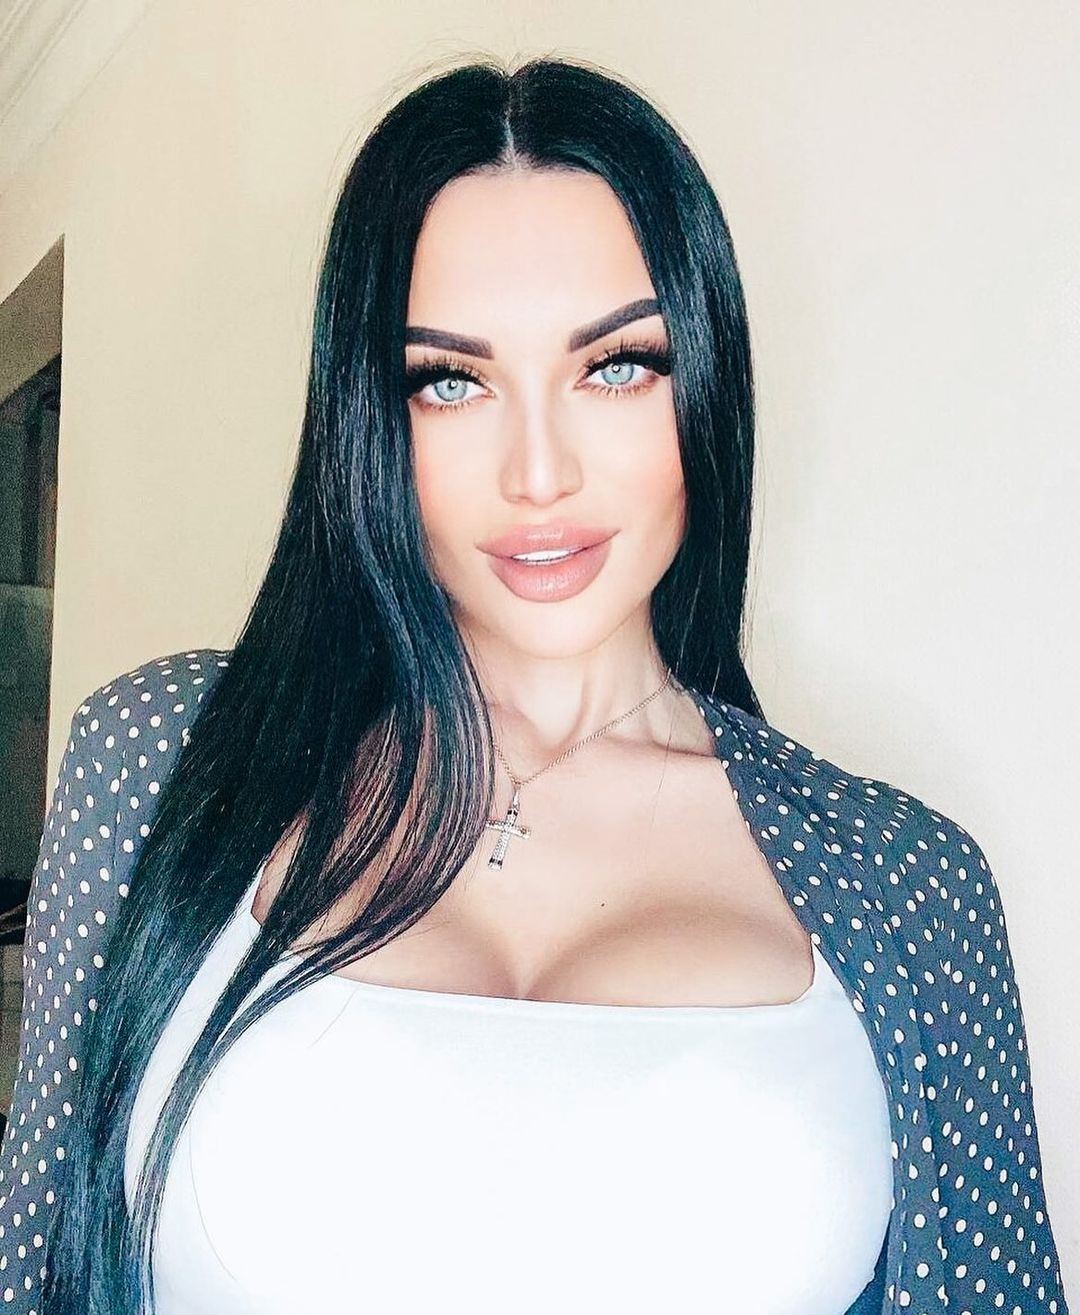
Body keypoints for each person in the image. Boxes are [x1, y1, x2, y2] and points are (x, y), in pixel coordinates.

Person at [0, 56, 1068, 1315]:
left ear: (707, 382)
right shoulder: (162, 757)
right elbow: (34, 1266)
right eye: (451, 381)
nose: (540, 473)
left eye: (615, 366)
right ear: (371, 419)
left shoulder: (908, 887)